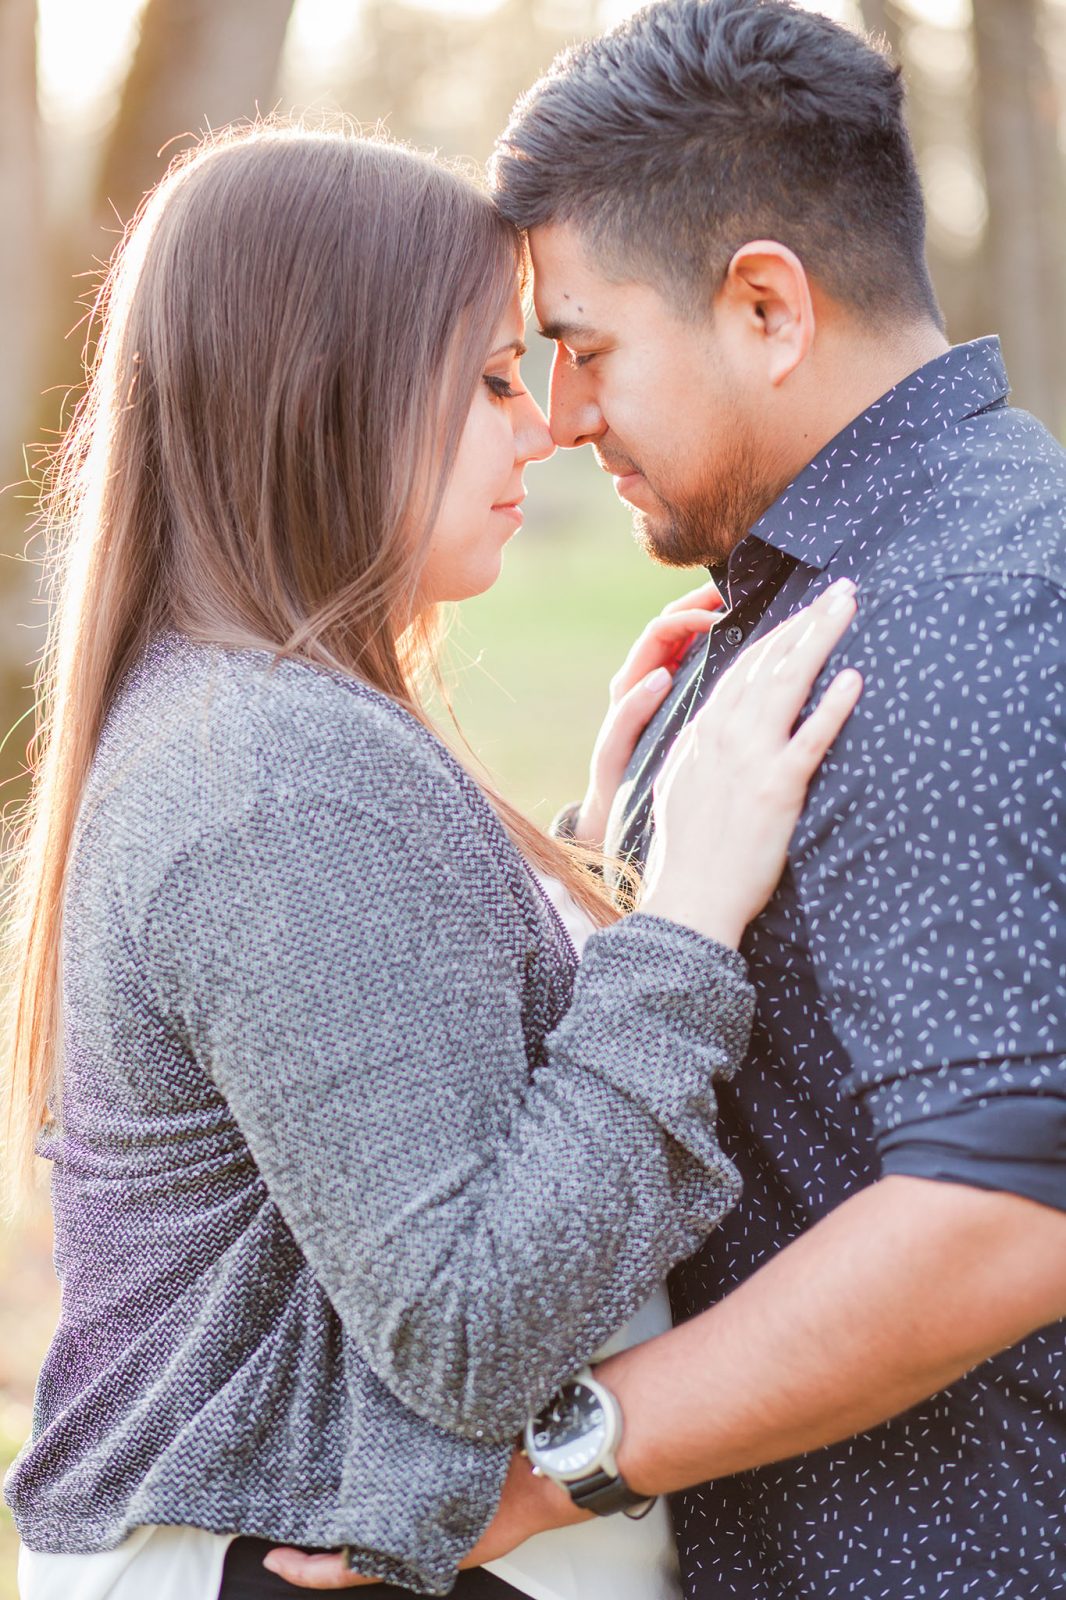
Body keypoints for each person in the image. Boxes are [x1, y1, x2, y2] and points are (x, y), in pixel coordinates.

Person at [268, 1, 1066, 1596]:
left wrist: (546, 1469)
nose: (560, 420)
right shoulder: (809, 595)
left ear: (765, 305)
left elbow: (1004, 1213)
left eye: (588, 348)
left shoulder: (946, 621)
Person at [2, 123, 861, 1600]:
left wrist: (587, 862)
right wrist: (691, 925)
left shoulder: (266, 722)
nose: (538, 423)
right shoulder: (273, 775)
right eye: (481, 377)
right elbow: (468, 1326)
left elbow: (398, 1092)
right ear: (317, 392)